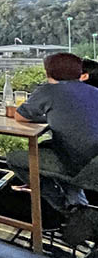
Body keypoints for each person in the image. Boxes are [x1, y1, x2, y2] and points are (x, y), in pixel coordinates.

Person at [9, 53, 98, 212]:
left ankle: (63, 206)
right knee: (46, 146)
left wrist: (40, 116)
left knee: (13, 158)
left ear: (49, 71)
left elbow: (20, 116)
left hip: (77, 164)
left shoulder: (49, 90)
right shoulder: (93, 91)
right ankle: (77, 203)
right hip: (93, 161)